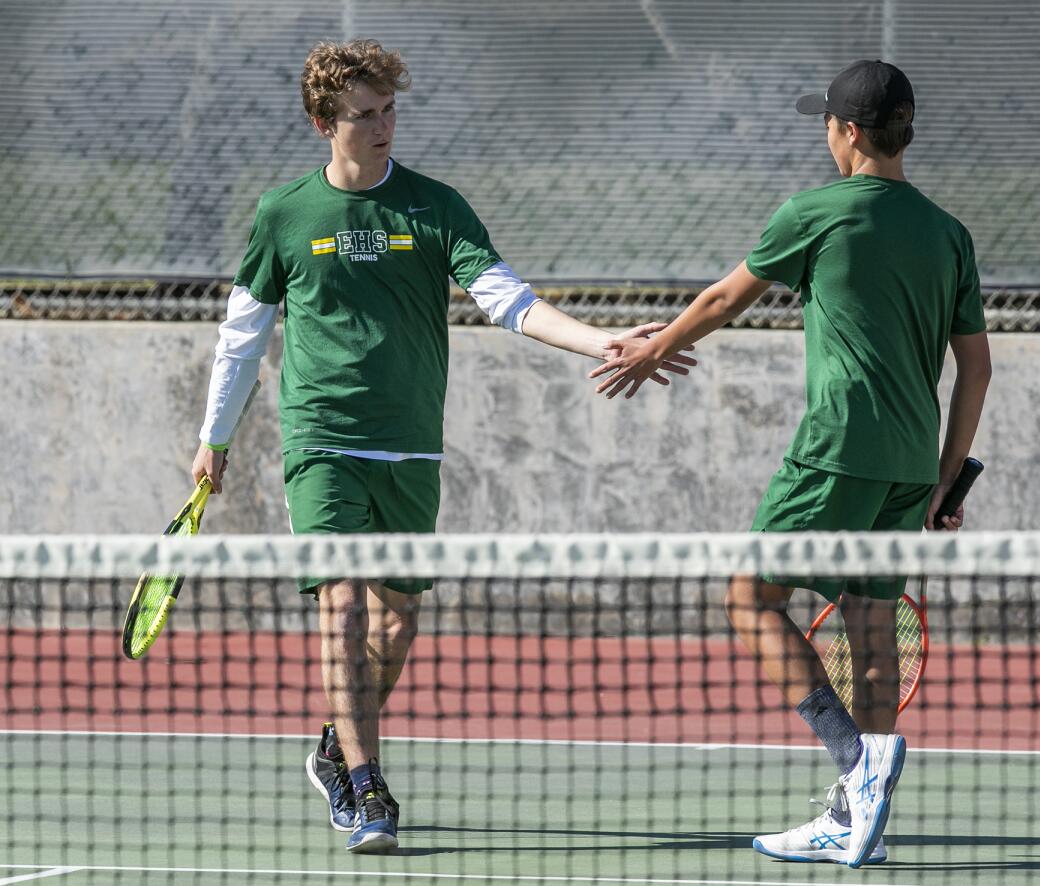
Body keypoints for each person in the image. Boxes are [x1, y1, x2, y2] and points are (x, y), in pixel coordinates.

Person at [190, 39, 695, 854]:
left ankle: (333, 745)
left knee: (397, 629)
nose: (383, 126)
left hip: (411, 447)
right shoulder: (283, 215)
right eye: (364, 114)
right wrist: (215, 437)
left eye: (390, 109)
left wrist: (600, 339)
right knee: (344, 607)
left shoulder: (435, 206)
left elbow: (509, 300)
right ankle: (367, 787)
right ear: (323, 122)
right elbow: (242, 335)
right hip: (322, 439)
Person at [591, 59, 991, 867]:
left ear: (846, 132)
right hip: (913, 462)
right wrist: (947, 477)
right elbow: (976, 367)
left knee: (749, 598)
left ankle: (856, 762)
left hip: (837, 450)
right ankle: (859, 822)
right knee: (869, 625)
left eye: (827, 123)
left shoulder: (817, 212)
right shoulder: (950, 233)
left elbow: (721, 300)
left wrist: (651, 350)